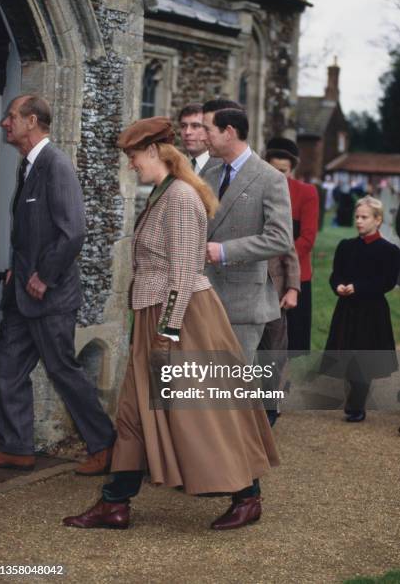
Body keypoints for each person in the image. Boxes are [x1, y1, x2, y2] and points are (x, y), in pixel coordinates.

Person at [63, 116, 280, 531]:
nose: (130, 165)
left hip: (182, 318)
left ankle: (248, 496)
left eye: (132, 157)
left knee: (204, 412)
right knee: (133, 411)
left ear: (153, 152)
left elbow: (184, 271)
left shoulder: (180, 197)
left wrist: (168, 330)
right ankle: (115, 502)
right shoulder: (163, 193)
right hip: (157, 315)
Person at [0, 95, 115, 474]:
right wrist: (19, 269)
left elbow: (73, 232)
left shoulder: (56, 165)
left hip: (50, 296)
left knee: (63, 370)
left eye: (11, 117)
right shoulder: (27, 167)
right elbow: (33, 230)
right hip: (20, 294)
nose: (3, 124)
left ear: (31, 121)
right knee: (7, 365)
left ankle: (106, 446)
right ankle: (17, 447)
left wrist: (44, 276)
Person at [202, 101, 293, 363]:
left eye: (208, 130)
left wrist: (225, 251)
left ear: (228, 132)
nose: (202, 137)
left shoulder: (270, 178)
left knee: (230, 390)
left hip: (242, 304)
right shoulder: (209, 171)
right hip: (201, 298)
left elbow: (281, 239)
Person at [323, 196, 400, 422]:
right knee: (346, 355)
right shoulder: (346, 246)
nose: (359, 221)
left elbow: (386, 281)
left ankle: (357, 404)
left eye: (364, 217)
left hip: (371, 311)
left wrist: (358, 287)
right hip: (346, 309)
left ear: (378, 220)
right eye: (357, 217)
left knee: (363, 359)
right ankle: (354, 397)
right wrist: (338, 286)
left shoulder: (389, 250)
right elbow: (335, 274)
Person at [265, 137, 319, 353]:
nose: (278, 176)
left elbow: (307, 238)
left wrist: (278, 259)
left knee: (292, 340)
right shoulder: (257, 190)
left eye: (283, 171)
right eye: (273, 170)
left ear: (292, 169)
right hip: (262, 273)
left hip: (294, 274)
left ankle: (283, 383)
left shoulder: (306, 193)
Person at [257, 250, 300, 426]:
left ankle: (270, 406)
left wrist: (293, 289)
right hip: (238, 292)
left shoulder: (275, 221)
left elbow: (289, 253)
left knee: (275, 354)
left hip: (274, 293)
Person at [178, 103, 221, 175]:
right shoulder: (174, 167)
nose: (187, 132)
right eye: (183, 126)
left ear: (208, 129)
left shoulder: (222, 167)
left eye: (195, 126)